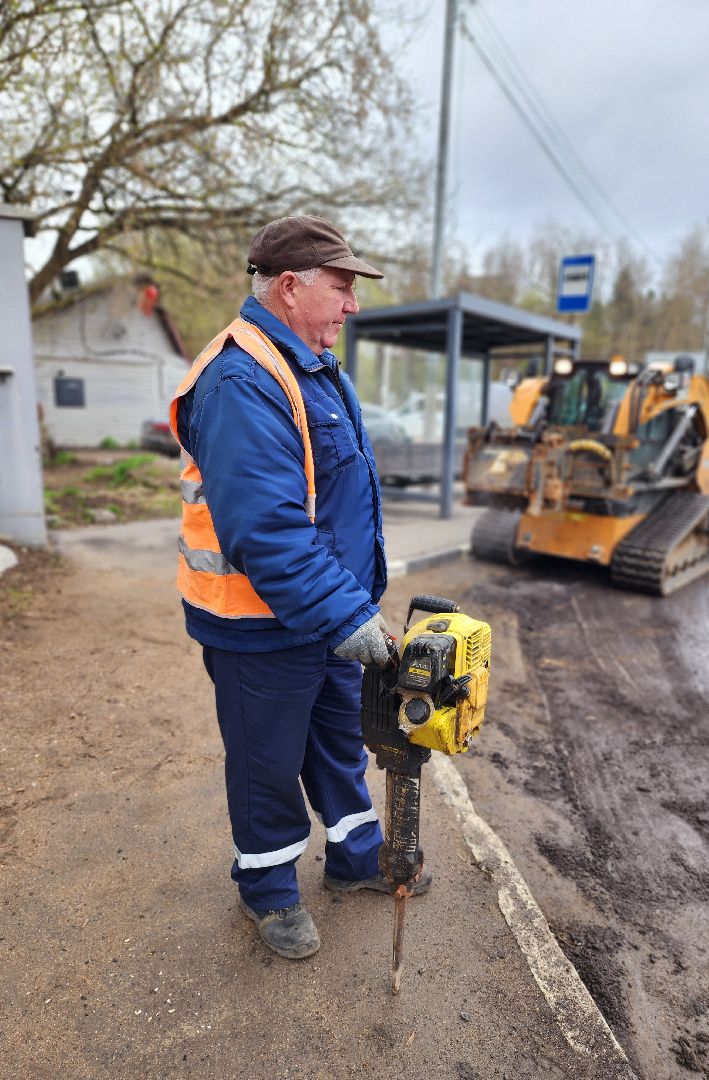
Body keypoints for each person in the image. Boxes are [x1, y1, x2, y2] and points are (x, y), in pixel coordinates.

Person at [169, 215, 429, 960]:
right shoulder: (241, 380)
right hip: (257, 625)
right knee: (267, 765)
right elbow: (270, 533)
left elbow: (336, 503)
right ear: (290, 286)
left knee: (339, 748)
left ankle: (354, 861)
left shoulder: (310, 363)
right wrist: (354, 618)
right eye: (342, 286)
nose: (352, 305)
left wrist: (351, 612)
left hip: (320, 617)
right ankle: (269, 891)